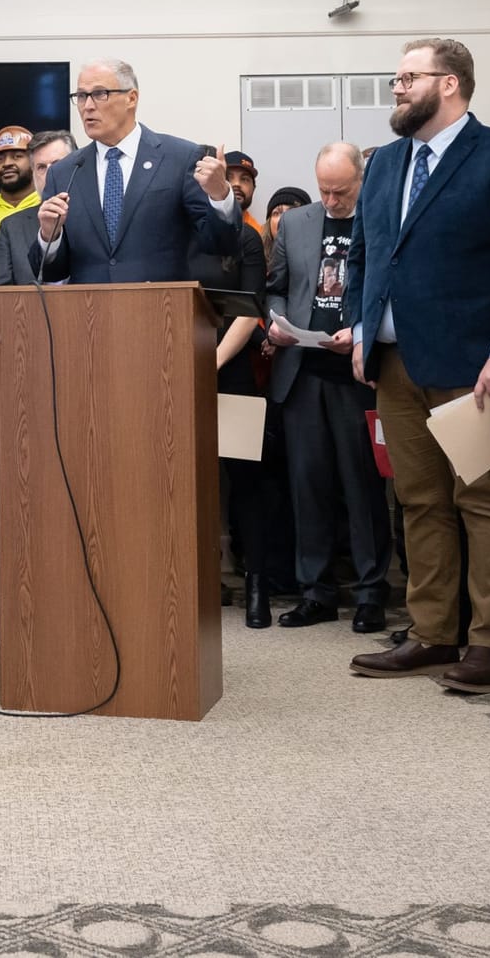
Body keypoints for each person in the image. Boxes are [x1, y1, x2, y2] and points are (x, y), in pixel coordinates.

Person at [343, 37, 490, 695]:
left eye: (409, 77)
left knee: (482, 500)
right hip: (394, 362)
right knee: (419, 500)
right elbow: (364, 255)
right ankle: (433, 633)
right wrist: (361, 329)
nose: (397, 88)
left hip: (474, 365)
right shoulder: (385, 163)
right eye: (397, 78)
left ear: (450, 83)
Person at [266, 143, 391, 634]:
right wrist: (276, 323)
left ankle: (371, 592)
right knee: (308, 486)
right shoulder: (295, 223)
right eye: (324, 191)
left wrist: (359, 332)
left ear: (361, 180)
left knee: (363, 489)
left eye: (342, 191)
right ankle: (315, 592)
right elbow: (276, 287)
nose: (332, 201)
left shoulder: (381, 219)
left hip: (357, 376)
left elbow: (390, 289)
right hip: (303, 373)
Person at [32, 59, 239, 282]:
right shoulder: (64, 172)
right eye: (81, 96)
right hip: (90, 303)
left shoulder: (180, 158)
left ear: (131, 98)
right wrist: (49, 235)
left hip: (162, 302)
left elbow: (221, 245)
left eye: (100, 94)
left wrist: (220, 196)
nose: (88, 106)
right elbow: (52, 273)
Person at [191, 171, 272, 627]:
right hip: (175, 370)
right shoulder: (174, 233)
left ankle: (257, 583)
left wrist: (213, 361)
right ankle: (195, 577)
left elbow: (250, 308)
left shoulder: (245, 236)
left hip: (232, 367)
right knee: (185, 478)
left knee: (245, 480)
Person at [0, 131, 74, 287]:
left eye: (58, 164)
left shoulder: (100, 213)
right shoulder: (11, 226)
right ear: (33, 175)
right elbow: (0, 294)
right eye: (41, 167)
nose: (50, 174)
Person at [225, 151, 263, 232]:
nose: (236, 184)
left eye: (244, 179)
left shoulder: (259, 234)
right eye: (228, 178)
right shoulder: (201, 225)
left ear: (253, 188)